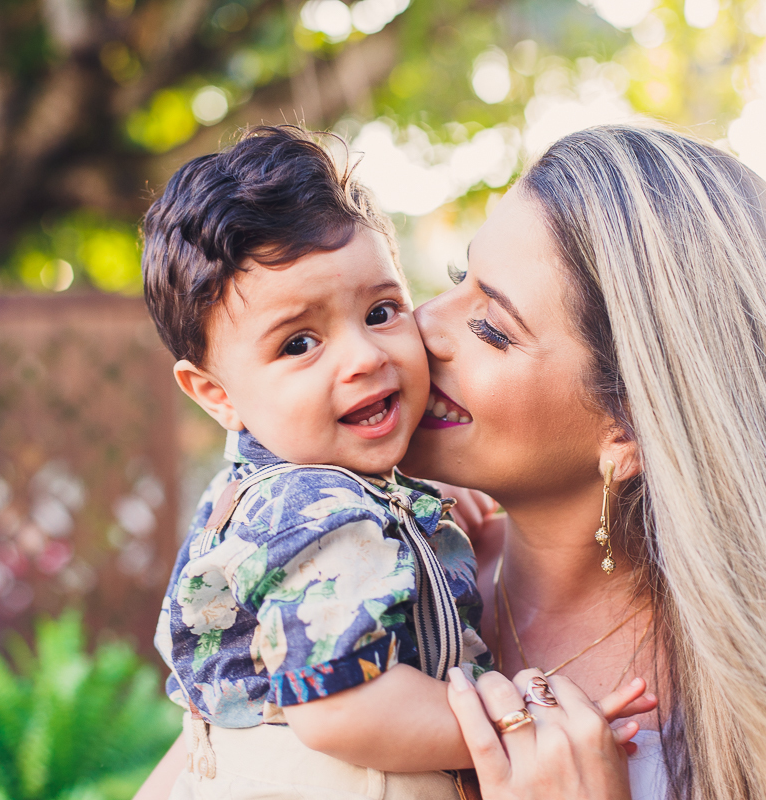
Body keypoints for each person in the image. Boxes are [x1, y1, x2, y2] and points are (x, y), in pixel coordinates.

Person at [404, 124, 766, 800]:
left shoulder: (744, 727)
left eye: (492, 328)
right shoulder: (371, 550)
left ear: (629, 430)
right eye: (460, 277)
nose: (422, 322)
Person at [138, 125, 651, 800]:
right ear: (215, 394)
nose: (370, 355)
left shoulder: (368, 503)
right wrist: (519, 727)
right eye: (299, 343)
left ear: (628, 427)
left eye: (382, 310)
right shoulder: (306, 516)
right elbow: (338, 706)